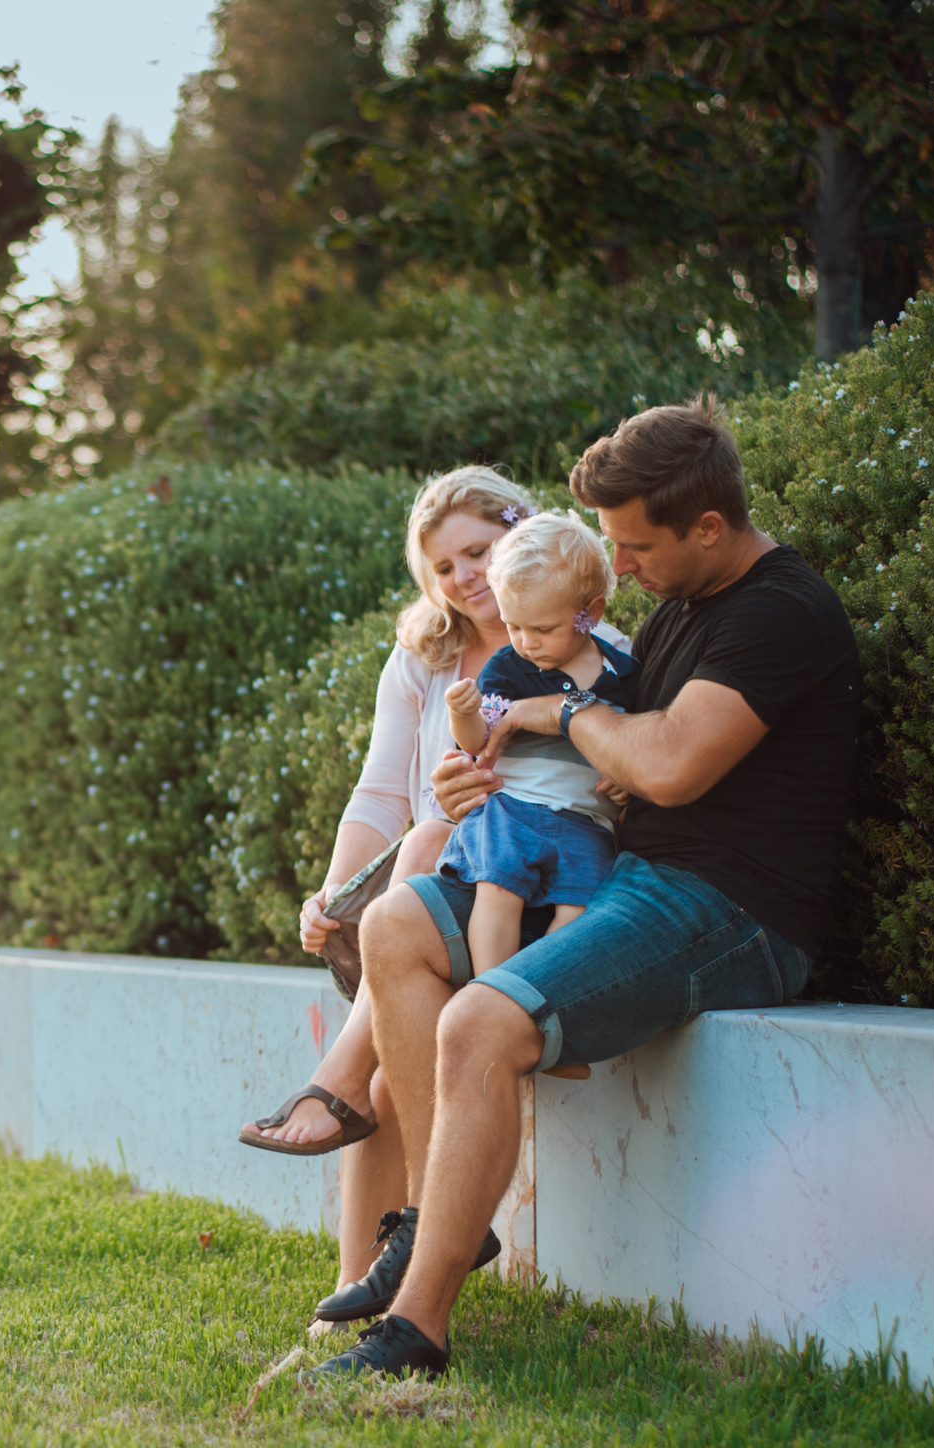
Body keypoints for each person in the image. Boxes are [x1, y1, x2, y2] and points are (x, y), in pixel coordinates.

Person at [310, 401, 862, 1380]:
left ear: (706, 526)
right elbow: (613, 764)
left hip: (724, 908)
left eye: (634, 544)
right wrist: (465, 779)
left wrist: (563, 715)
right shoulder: (681, 605)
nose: (623, 569)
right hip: (622, 875)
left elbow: (672, 763)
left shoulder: (781, 611)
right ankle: (447, 1225)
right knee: (396, 924)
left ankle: (416, 1329)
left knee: (478, 1022)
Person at [235, 467, 629, 1326]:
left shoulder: (586, 644)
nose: (465, 579)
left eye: (479, 552)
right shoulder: (425, 655)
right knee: (414, 847)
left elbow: (614, 780)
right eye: (443, 566)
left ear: (520, 537)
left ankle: (334, 1084)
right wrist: (334, 893)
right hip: (432, 898)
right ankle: (354, 1284)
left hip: (526, 901)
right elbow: (380, 792)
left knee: (425, 841)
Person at [419, 510, 639, 984]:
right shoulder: (509, 668)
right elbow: (482, 742)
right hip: (514, 811)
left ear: (591, 613)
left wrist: (626, 779)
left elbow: (635, 743)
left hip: (587, 822)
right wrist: (463, 713)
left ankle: (540, 997)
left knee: (580, 910)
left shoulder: (625, 675)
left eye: (542, 630)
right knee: (498, 895)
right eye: (514, 626)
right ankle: (491, 993)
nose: (526, 642)